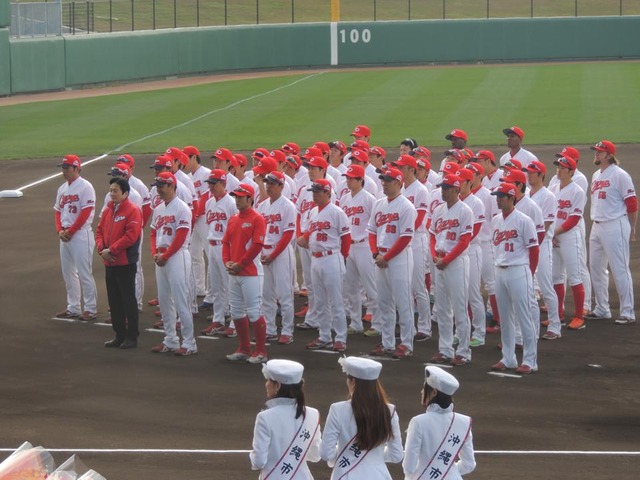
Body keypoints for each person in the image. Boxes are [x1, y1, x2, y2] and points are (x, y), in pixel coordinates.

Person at [321, 356, 403, 479]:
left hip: (345, 474)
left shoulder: (337, 409)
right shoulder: (389, 411)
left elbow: (326, 454)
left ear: (352, 381)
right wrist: (374, 456)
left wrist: (346, 452)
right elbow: (396, 455)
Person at [489, 183, 539, 374]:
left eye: (501, 196)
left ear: (512, 198)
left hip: (519, 270)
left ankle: (530, 360)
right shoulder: (495, 220)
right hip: (500, 271)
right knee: (505, 318)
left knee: (524, 316)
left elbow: (534, 249)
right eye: (497, 195)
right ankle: (508, 358)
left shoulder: (524, 220)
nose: (498, 199)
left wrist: (530, 274)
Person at [368, 167, 417, 359]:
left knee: (403, 302)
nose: (384, 183)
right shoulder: (379, 204)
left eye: (388, 180)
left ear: (399, 182)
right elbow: (371, 230)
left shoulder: (406, 207)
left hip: (399, 258)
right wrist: (375, 253)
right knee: (384, 302)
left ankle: (406, 344)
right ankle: (387, 342)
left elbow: (405, 237)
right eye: (383, 180)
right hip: (380, 257)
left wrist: (386, 258)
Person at [587, 140, 637, 325]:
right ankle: (602, 308)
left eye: (599, 152)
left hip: (615, 225)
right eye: (596, 151)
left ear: (609, 155)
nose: (596, 154)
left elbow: (632, 203)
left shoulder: (620, 175)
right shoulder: (595, 175)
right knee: (596, 268)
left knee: (620, 268)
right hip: (597, 225)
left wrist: (632, 227)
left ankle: (628, 312)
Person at [149, 172, 198, 356]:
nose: (158, 189)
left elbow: (181, 235)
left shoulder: (183, 208)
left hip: (177, 256)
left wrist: (166, 255)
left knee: (181, 301)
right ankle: (170, 340)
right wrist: (155, 253)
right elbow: (153, 233)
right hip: (161, 258)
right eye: (158, 185)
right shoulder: (159, 209)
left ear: (172, 186)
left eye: (162, 185)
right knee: (164, 300)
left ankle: (189, 342)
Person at [429, 174, 474, 366]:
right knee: (443, 309)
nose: (443, 191)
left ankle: (463, 351)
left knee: (459, 308)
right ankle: (445, 349)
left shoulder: (465, 211)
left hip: (456, 263)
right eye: (442, 187)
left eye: (447, 188)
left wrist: (446, 259)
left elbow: (464, 241)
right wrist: (434, 256)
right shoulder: (439, 210)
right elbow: (432, 235)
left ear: (456, 190)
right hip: (440, 261)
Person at [250, 359, 322, 479]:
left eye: (268, 380)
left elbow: (258, 462)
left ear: (277, 385)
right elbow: (315, 456)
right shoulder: (313, 414)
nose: (266, 384)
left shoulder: (265, 417)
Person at [303, 179, 352, 352]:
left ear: (327, 193)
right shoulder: (313, 211)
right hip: (316, 259)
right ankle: (324, 336)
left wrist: (342, 258)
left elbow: (346, 238)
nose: (315, 194)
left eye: (318, 191)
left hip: (331, 258)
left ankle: (340, 338)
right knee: (320, 302)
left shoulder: (337, 212)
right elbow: (311, 231)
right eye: (313, 191)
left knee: (336, 301)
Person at [403, 366, 475, 480]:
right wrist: (449, 471)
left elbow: (409, 467)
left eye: (424, 388)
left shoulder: (418, 422)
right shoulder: (464, 422)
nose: (422, 392)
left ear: (434, 392)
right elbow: (469, 465)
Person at [223, 183, 269, 364]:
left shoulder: (257, 219)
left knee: (254, 311)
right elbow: (226, 243)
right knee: (236, 311)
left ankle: (261, 351)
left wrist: (240, 264)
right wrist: (227, 261)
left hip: (251, 273)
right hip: (234, 273)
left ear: (250, 198)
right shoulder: (233, 219)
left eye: (241, 197)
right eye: (236, 196)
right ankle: (244, 348)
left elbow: (257, 246)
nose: (237, 199)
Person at [95, 178, 142, 349]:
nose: (112, 193)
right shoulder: (108, 210)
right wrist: (102, 249)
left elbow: (131, 236)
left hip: (124, 262)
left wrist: (111, 250)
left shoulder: (132, 211)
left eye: (115, 190)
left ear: (125, 193)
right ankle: (119, 334)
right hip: (110, 262)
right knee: (114, 301)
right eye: (111, 190)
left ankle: (132, 336)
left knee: (128, 300)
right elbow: (99, 231)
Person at [53, 155, 98, 321]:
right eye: (63, 168)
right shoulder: (62, 188)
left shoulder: (86, 187)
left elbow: (86, 212)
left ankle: (91, 308)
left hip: (80, 235)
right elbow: (58, 211)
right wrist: (60, 230)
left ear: (77, 168)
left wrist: (71, 231)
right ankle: (73, 307)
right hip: (65, 235)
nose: (64, 171)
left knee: (84, 272)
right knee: (68, 272)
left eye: (67, 168)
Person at [258, 171, 297, 344]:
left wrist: (273, 255)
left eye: (273, 184)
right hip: (264, 252)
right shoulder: (262, 206)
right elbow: (258, 232)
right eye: (267, 183)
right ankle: (270, 328)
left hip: (281, 254)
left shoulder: (288, 206)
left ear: (281, 186)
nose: (269, 186)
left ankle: (287, 331)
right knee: (266, 294)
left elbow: (288, 235)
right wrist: (260, 252)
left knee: (284, 294)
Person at [549, 156, 587, 331]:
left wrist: (554, 232)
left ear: (571, 171)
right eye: (558, 166)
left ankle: (579, 316)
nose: (559, 170)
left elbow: (574, 219)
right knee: (556, 277)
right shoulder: (553, 188)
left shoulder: (577, 191)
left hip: (570, 238)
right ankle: (558, 315)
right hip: (554, 238)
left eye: (563, 168)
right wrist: (551, 233)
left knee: (574, 277)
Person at [199, 169, 238, 337]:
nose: (210, 187)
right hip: (213, 246)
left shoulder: (231, 203)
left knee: (230, 286)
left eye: (213, 184)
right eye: (209, 184)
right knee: (216, 286)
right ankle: (218, 320)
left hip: (225, 247)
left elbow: (235, 229)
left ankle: (235, 323)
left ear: (223, 183)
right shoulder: (209, 203)